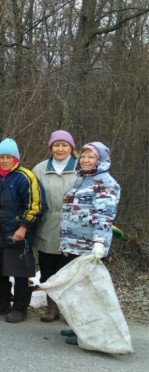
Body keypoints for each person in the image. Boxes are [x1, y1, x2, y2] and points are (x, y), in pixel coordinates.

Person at [0, 138, 46, 323]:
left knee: (20, 272)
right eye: (1, 157)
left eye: (9, 157)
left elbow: (35, 206)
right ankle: (3, 303)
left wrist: (23, 227)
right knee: (0, 272)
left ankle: (20, 308)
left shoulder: (25, 177)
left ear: (16, 159)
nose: (5, 161)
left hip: (18, 235)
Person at [58, 142, 120, 345]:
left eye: (91, 157)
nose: (85, 160)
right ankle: (80, 327)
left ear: (101, 160)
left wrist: (99, 243)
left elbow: (105, 216)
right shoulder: (83, 180)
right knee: (79, 288)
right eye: (83, 156)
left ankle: (91, 332)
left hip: (89, 245)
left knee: (89, 290)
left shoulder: (105, 183)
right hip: (75, 243)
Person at [32, 130, 78, 322]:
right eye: (56, 145)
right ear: (51, 148)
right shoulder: (40, 169)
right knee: (48, 268)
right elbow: (33, 195)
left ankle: (70, 310)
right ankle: (52, 308)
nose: (60, 149)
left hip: (74, 226)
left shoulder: (81, 167)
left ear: (71, 148)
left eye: (64, 145)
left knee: (70, 270)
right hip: (47, 224)